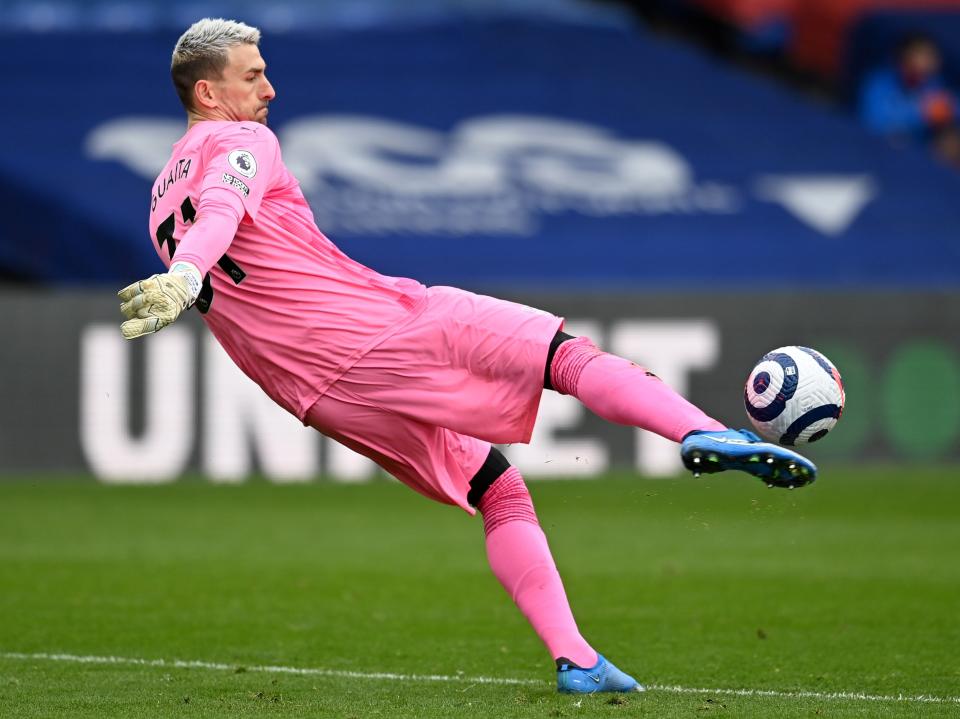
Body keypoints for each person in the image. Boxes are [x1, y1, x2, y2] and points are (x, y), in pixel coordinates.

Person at [118, 18, 817, 694]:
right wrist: (187, 277)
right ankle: (699, 430)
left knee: (498, 489)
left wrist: (183, 271)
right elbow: (223, 206)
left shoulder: (155, 199)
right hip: (376, 330)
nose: (269, 89)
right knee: (563, 354)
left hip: (314, 395)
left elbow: (210, 220)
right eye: (253, 75)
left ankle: (577, 657)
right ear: (208, 93)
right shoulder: (244, 142)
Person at [859, 32, 958, 150]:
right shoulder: (878, 83)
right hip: (880, 150)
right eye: (922, 55)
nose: (928, 62)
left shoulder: (934, 84)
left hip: (923, 154)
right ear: (903, 57)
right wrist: (922, 113)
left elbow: (952, 107)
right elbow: (873, 122)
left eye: (931, 56)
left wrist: (948, 110)